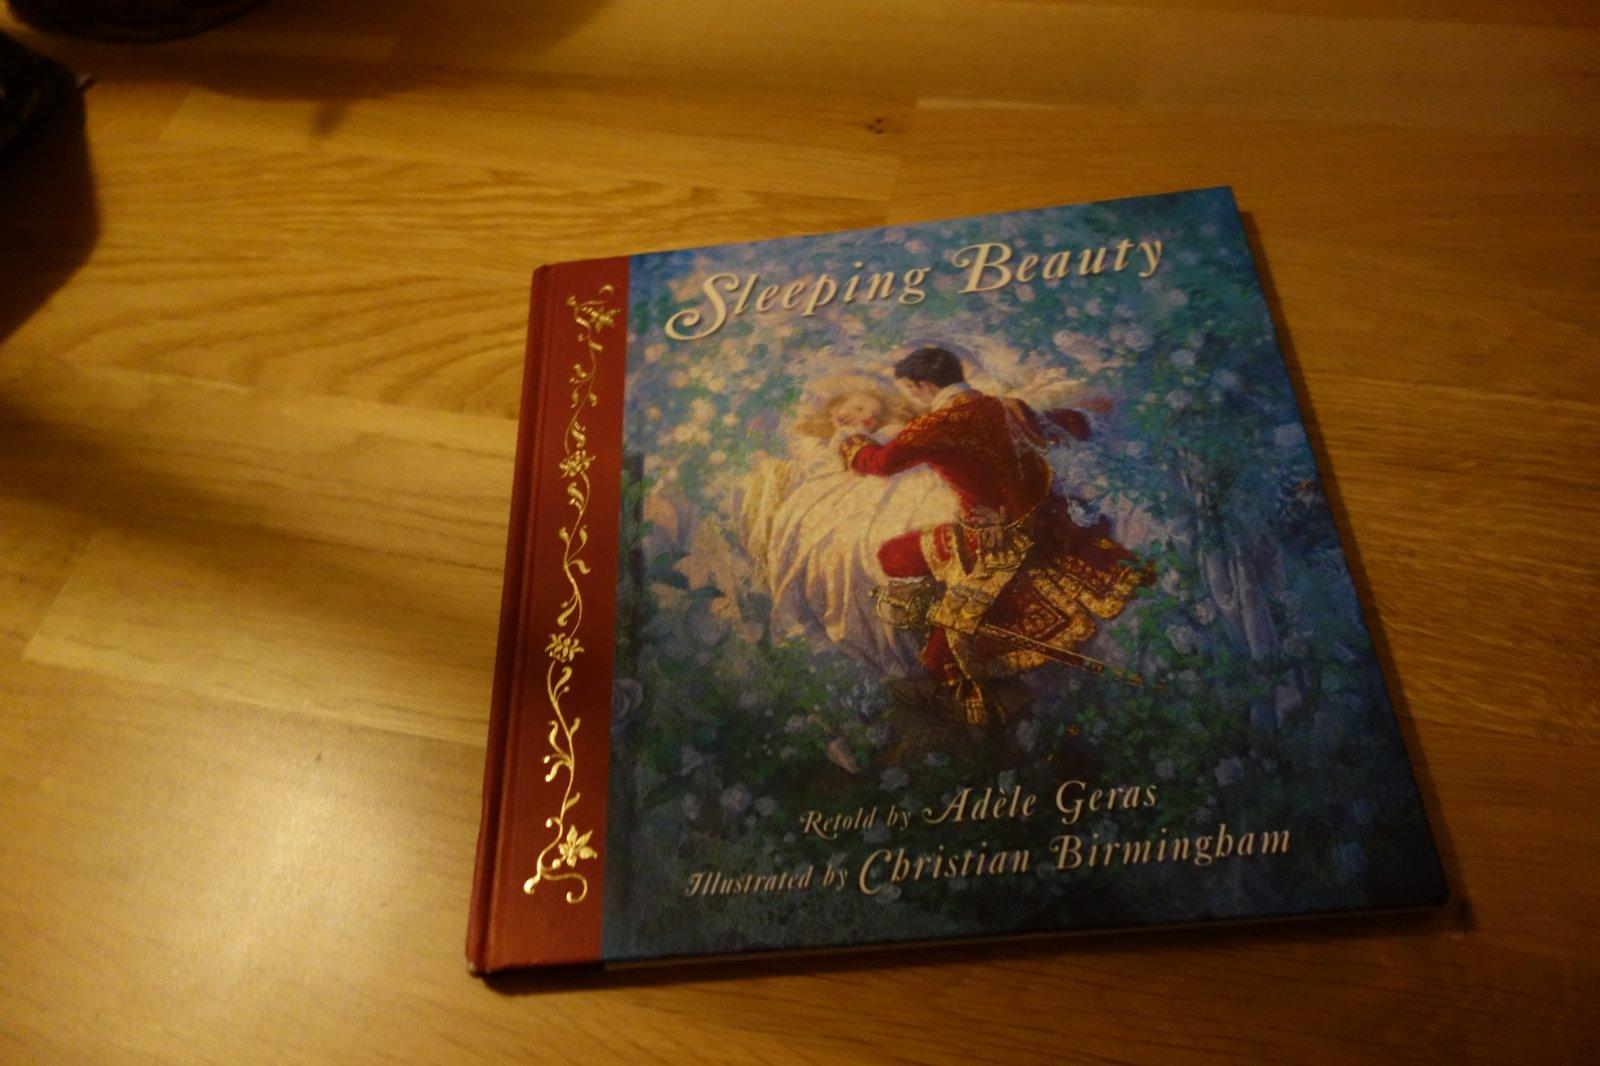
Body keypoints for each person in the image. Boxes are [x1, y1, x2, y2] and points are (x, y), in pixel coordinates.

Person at [838, 346, 1153, 726]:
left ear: (922, 385)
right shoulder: (1008, 407)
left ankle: (954, 652)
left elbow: (878, 463)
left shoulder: (933, 427)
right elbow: (1057, 425)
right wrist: (1088, 412)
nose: (908, 396)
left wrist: (851, 437)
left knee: (891, 557)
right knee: (899, 554)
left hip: (994, 540)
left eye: (907, 389)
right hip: (1047, 520)